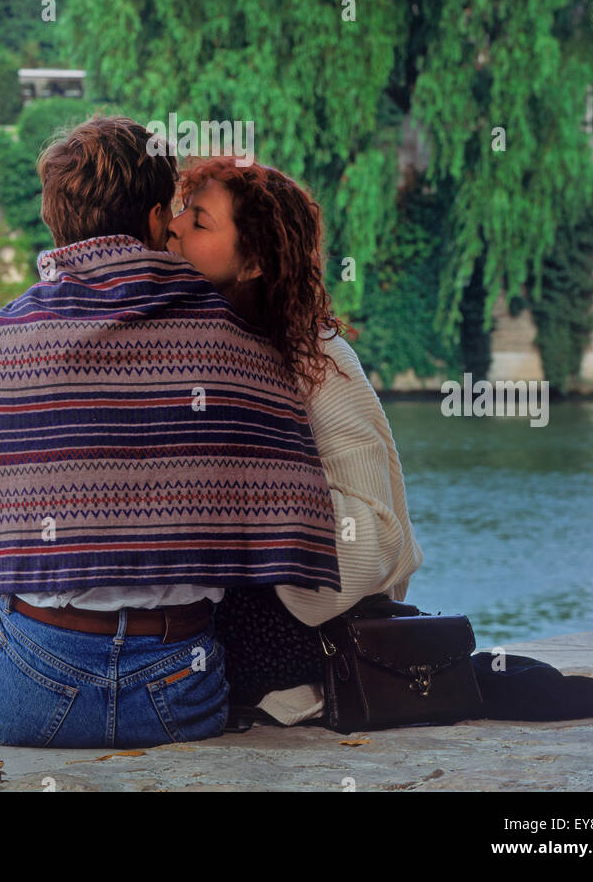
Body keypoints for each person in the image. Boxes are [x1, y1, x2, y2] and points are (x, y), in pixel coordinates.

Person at [0, 117, 339, 764]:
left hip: (29, 674)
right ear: (152, 220)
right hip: (184, 685)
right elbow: (280, 536)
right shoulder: (245, 348)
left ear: (56, 223)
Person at [165, 155, 423, 726]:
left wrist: (258, 480)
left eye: (200, 221)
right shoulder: (197, 340)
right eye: (181, 209)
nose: (175, 225)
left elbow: (380, 536)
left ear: (254, 261)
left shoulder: (319, 358)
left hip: (297, 630)